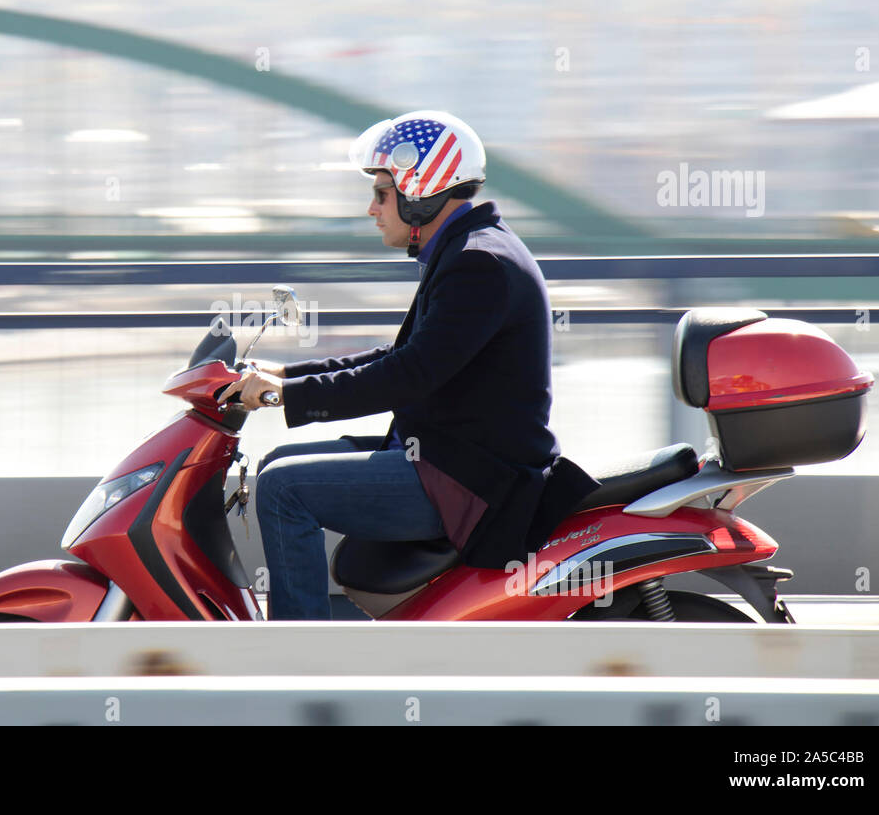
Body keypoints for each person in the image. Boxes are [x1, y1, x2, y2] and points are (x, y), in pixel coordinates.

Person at [216, 110, 598, 620]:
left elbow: (407, 377)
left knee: (285, 490)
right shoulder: (468, 251)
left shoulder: (478, 263)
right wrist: (284, 376)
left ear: (422, 193)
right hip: (446, 455)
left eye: (381, 194)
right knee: (276, 465)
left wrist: (282, 395)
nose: (372, 209)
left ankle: (299, 657)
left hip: (472, 479)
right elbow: (402, 361)